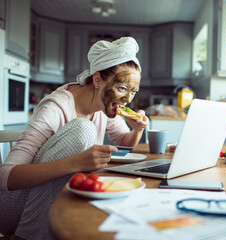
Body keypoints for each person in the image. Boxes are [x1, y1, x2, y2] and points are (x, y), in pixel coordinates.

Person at [0, 37, 149, 240]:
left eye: (133, 91)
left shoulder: (104, 105)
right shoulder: (55, 107)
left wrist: (138, 130)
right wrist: (76, 163)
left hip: (50, 203)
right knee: (83, 129)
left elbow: (124, 141)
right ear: (97, 80)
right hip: (11, 208)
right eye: (122, 88)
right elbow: (6, 177)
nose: (128, 99)